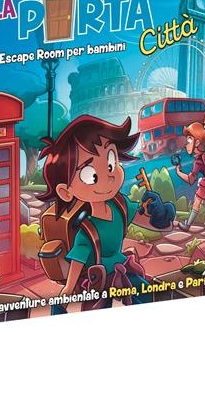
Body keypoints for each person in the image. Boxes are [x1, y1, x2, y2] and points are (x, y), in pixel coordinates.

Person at [37, 115, 175, 312]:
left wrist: (161, 215)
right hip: (97, 280)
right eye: (91, 175)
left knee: (147, 293)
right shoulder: (86, 230)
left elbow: (159, 226)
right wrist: (68, 290)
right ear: (66, 192)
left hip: (123, 270)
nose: (109, 176)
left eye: (111, 163)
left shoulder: (120, 205)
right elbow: (77, 263)